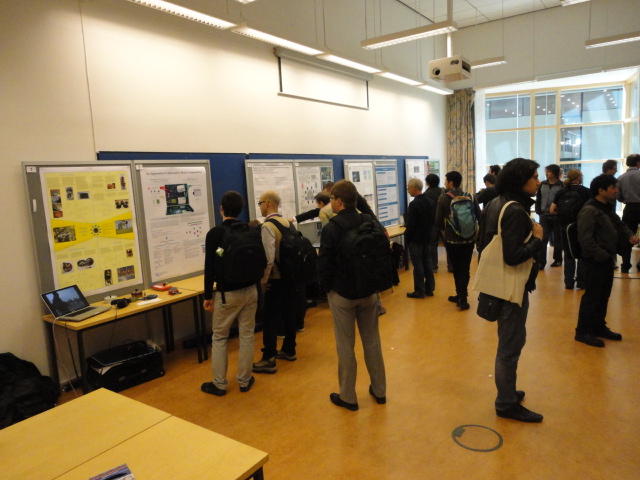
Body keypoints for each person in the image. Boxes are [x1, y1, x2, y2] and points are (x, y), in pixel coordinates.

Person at [476, 158, 544, 423]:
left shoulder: (496, 202)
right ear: (520, 180)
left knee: (510, 342)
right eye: (534, 176)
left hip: (498, 284)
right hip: (510, 287)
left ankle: (508, 391)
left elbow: (483, 243)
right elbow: (513, 256)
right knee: (510, 347)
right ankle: (506, 403)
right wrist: (537, 240)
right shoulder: (515, 210)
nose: (538, 181)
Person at [318, 180, 387, 411]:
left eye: (331, 199)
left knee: (345, 345)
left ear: (339, 201)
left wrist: (327, 289)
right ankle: (380, 390)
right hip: (369, 291)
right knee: (372, 341)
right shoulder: (369, 221)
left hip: (343, 294)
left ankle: (348, 396)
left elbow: (325, 264)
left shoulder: (332, 228)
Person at [201, 191, 262, 396]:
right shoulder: (250, 230)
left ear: (221, 209)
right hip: (251, 291)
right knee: (247, 335)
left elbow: (210, 266)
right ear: (241, 209)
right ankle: (245, 380)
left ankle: (219, 384)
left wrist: (207, 296)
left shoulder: (216, 233)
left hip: (227, 294)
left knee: (219, 337)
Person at [575, 174, 639, 347]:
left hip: (606, 259)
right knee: (592, 297)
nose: (617, 191)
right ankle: (583, 332)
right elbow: (586, 240)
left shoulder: (606, 207)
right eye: (613, 188)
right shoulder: (589, 210)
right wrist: (602, 255)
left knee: (603, 296)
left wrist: (630, 236)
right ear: (601, 190)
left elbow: (620, 225)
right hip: (594, 261)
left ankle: (598, 327)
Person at [252, 191, 299, 374]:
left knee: (270, 318)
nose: (260, 207)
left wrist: (263, 282)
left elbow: (269, 259)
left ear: (269, 203)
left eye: (260, 203)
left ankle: (269, 358)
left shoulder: (267, 227)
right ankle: (289, 349)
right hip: (291, 276)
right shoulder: (287, 223)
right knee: (289, 313)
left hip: (276, 279)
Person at [435, 171, 478, 310]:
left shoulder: (443, 198)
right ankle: (461, 295)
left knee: (456, 268)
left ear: (451, 183)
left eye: (446, 181)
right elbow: (479, 215)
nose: (445, 183)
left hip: (452, 241)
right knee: (465, 268)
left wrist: (445, 233)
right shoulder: (470, 196)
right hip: (469, 239)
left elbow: (438, 221)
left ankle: (461, 297)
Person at [550, 169, 591, 289]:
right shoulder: (586, 191)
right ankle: (581, 282)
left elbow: (552, 210)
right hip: (581, 226)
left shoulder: (561, 191)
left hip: (565, 227)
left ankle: (568, 283)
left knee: (568, 255)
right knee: (582, 253)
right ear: (578, 178)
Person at [404, 178, 435, 298]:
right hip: (427, 238)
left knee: (418, 266)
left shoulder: (414, 204)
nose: (408, 190)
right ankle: (429, 288)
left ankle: (419, 291)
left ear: (414, 188)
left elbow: (411, 225)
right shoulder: (430, 201)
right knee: (427, 263)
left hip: (416, 240)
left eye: (408, 188)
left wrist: (408, 239)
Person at [535, 164, 564, 269]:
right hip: (544, 214)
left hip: (556, 216)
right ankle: (541, 262)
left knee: (557, 239)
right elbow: (538, 198)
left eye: (549, 171)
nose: (547, 173)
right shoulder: (542, 184)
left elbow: (563, 200)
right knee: (543, 238)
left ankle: (558, 260)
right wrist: (538, 211)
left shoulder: (562, 185)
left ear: (555, 173)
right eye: (546, 171)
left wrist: (559, 212)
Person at [617, 153, 640, 274]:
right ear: (638, 163)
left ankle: (625, 265)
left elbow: (617, 195)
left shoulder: (621, 178)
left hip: (629, 208)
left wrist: (624, 200)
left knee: (627, 236)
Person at [424, 174, 444, 272]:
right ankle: (452, 266)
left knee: (432, 245)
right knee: (448, 243)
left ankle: (433, 266)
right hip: (445, 222)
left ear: (428, 183)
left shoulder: (426, 194)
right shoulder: (443, 191)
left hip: (432, 223)